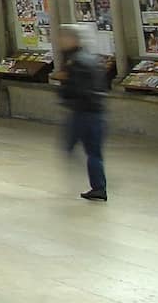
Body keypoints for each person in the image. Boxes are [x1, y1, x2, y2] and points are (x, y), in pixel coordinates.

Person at [55, 23, 108, 201]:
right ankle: (99, 187)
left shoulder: (76, 61)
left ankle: (96, 185)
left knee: (70, 146)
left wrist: (65, 91)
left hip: (83, 112)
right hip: (97, 110)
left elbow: (77, 88)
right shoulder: (91, 58)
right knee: (94, 152)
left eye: (63, 38)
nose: (61, 41)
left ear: (72, 39)